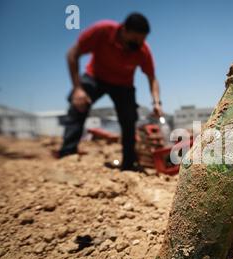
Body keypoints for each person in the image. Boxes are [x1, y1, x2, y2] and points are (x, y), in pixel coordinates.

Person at [58, 12, 162, 171]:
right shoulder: (102, 31)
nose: (139, 44)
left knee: (129, 119)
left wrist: (156, 102)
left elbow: (152, 78)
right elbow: (72, 55)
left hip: (123, 85)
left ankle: (128, 164)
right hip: (96, 77)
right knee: (78, 105)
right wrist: (78, 89)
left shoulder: (143, 50)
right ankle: (67, 156)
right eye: (135, 39)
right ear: (124, 29)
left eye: (142, 40)